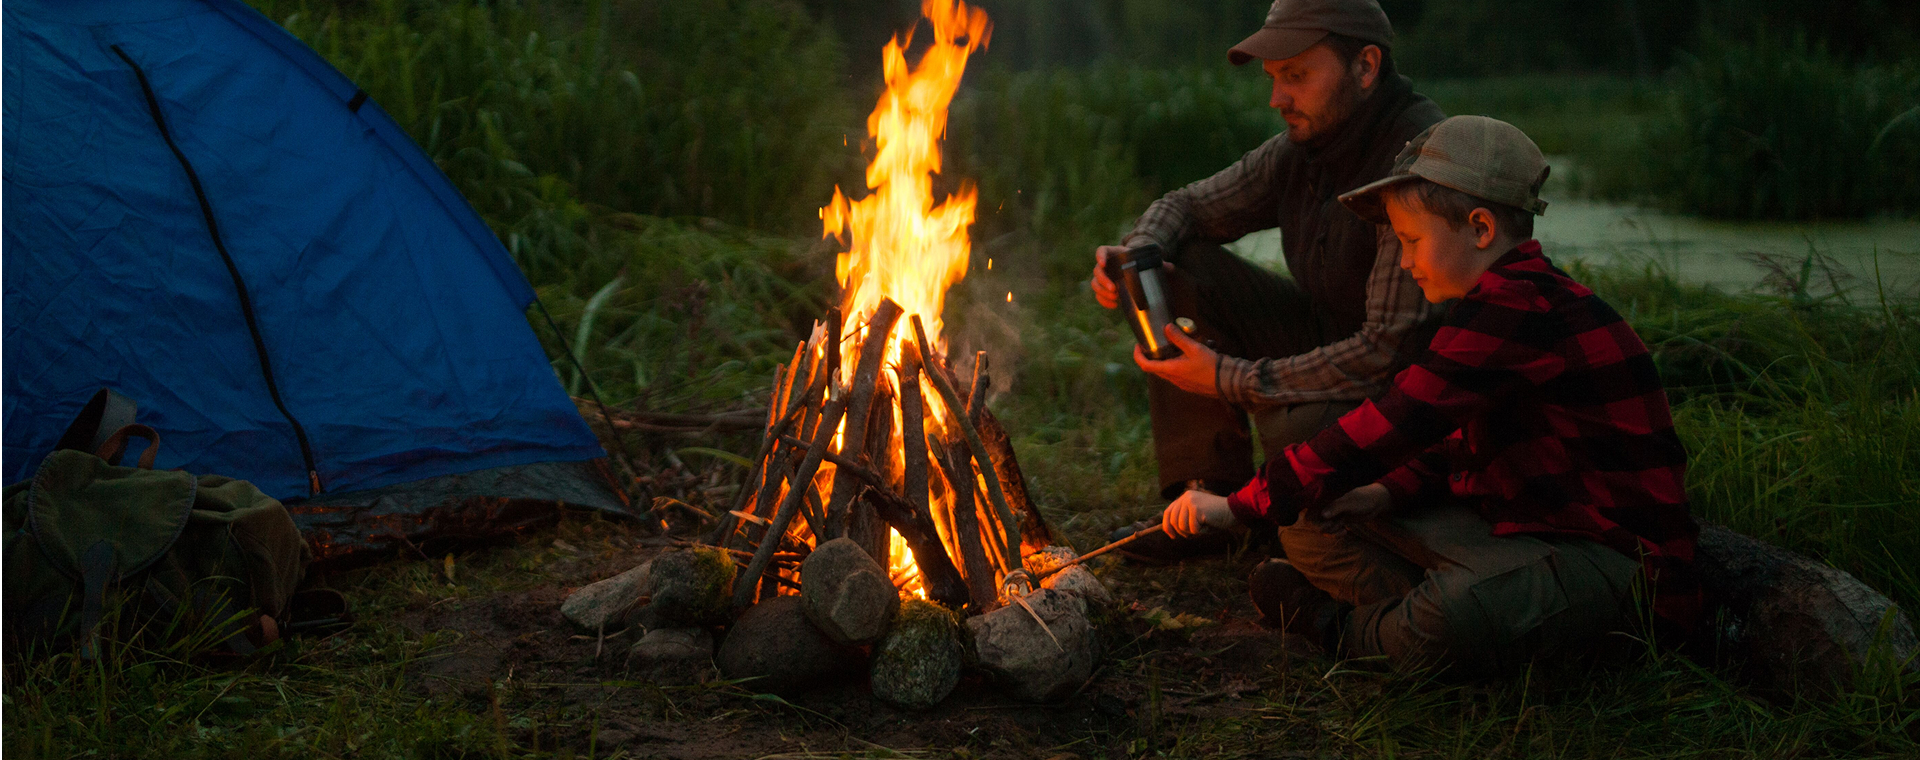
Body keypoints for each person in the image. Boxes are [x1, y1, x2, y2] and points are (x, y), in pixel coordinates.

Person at [1147, 116, 1701, 676]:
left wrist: (1237, 506)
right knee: (1310, 518)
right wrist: (1383, 493)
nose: (1406, 262)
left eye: (1411, 241)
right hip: (1521, 528)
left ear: (1481, 228)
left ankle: (1338, 627)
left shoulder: (1521, 309)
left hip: (1615, 564)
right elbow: (1453, 442)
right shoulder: (1490, 303)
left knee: (1448, 617)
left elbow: (1396, 422)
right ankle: (1437, 612)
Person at [1091, 0, 1445, 556]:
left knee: (1298, 427)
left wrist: (1229, 377)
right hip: (1331, 337)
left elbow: (1386, 352)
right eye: (1275, 79)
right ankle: (1205, 502)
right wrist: (1139, 253)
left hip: (1414, 397)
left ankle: (1295, 517)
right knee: (1182, 265)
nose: (1278, 98)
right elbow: (1187, 205)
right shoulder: (1303, 148)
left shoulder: (1417, 162)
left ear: (1366, 66)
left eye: (1297, 76)